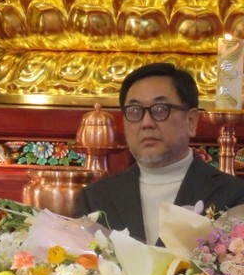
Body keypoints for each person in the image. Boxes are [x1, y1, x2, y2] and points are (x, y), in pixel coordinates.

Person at [75, 62, 244, 244]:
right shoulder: (95, 198)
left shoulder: (234, 195)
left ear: (191, 120)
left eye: (160, 109)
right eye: (134, 111)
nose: (146, 123)